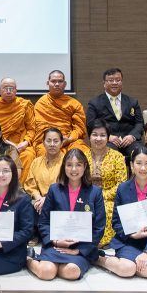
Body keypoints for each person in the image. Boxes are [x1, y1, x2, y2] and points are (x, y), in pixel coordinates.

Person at [27, 148, 106, 281]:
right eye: (69, 165)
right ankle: (28, 259)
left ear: (85, 166)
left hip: (81, 247)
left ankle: (58, 267)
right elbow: (43, 222)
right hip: (55, 244)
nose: (73, 169)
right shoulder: (54, 189)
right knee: (46, 272)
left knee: (72, 272)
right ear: (64, 167)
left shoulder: (95, 192)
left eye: (78, 165)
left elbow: (99, 227)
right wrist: (55, 241)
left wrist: (80, 250)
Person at [102, 147, 147, 278]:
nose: (143, 168)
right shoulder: (123, 188)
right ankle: (100, 259)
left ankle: (136, 261)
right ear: (132, 165)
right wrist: (132, 235)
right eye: (139, 163)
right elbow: (116, 221)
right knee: (126, 269)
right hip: (130, 241)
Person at [83, 120, 128, 246]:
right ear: (89, 136)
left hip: (110, 199)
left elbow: (121, 184)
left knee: (106, 210)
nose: (98, 138)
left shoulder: (117, 157)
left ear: (108, 138)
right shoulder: (83, 157)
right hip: (86, 197)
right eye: (95, 134)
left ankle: (101, 242)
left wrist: (102, 196)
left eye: (102, 135)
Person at [86, 67, 143, 156]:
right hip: (108, 141)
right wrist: (106, 136)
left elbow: (139, 123)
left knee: (141, 153)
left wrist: (132, 136)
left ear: (121, 82)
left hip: (129, 140)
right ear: (104, 83)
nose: (114, 83)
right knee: (110, 156)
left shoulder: (132, 102)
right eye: (111, 80)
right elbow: (90, 124)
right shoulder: (94, 103)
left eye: (118, 80)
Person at [32, 70, 86, 158]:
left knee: (80, 150)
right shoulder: (41, 103)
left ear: (65, 84)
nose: (57, 84)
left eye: (60, 81)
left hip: (68, 140)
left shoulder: (74, 104)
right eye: (53, 81)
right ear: (48, 83)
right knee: (43, 152)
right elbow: (40, 128)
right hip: (48, 141)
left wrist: (70, 139)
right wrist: (52, 140)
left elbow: (79, 128)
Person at [0, 77, 36, 169]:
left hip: (20, 144)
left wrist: (26, 142)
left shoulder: (24, 105)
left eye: (11, 88)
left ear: (16, 90)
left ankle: (21, 179)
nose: (8, 91)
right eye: (5, 88)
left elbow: (31, 129)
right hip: (0, 143)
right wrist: (5, 142)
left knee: (28, 155)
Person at [24, 127, 65, 214]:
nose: (52, 144)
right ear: (43, 143)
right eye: (48, 141)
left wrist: (47, 200)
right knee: (25, 204)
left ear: (61, 143)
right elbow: (30, 185)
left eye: (56, 141)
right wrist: (39, 198)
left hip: (61, 202)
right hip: (39, 203)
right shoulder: (36, 162)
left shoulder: (67, 162)